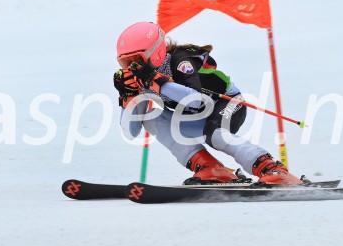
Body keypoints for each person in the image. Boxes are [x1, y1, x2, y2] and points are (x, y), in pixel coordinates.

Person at [113, 21, 302, 186]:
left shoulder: (180, 61)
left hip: (228, 104)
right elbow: (131, 133)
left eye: (136, 59)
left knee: (216, 135)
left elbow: (195, 101)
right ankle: (211, 168)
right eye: (125, 62)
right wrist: (127, 96)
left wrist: (159, 82)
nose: (131, 67)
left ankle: (271, 168)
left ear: (155, 52)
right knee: (150, 115)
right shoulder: (140, 78)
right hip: (195, 118)